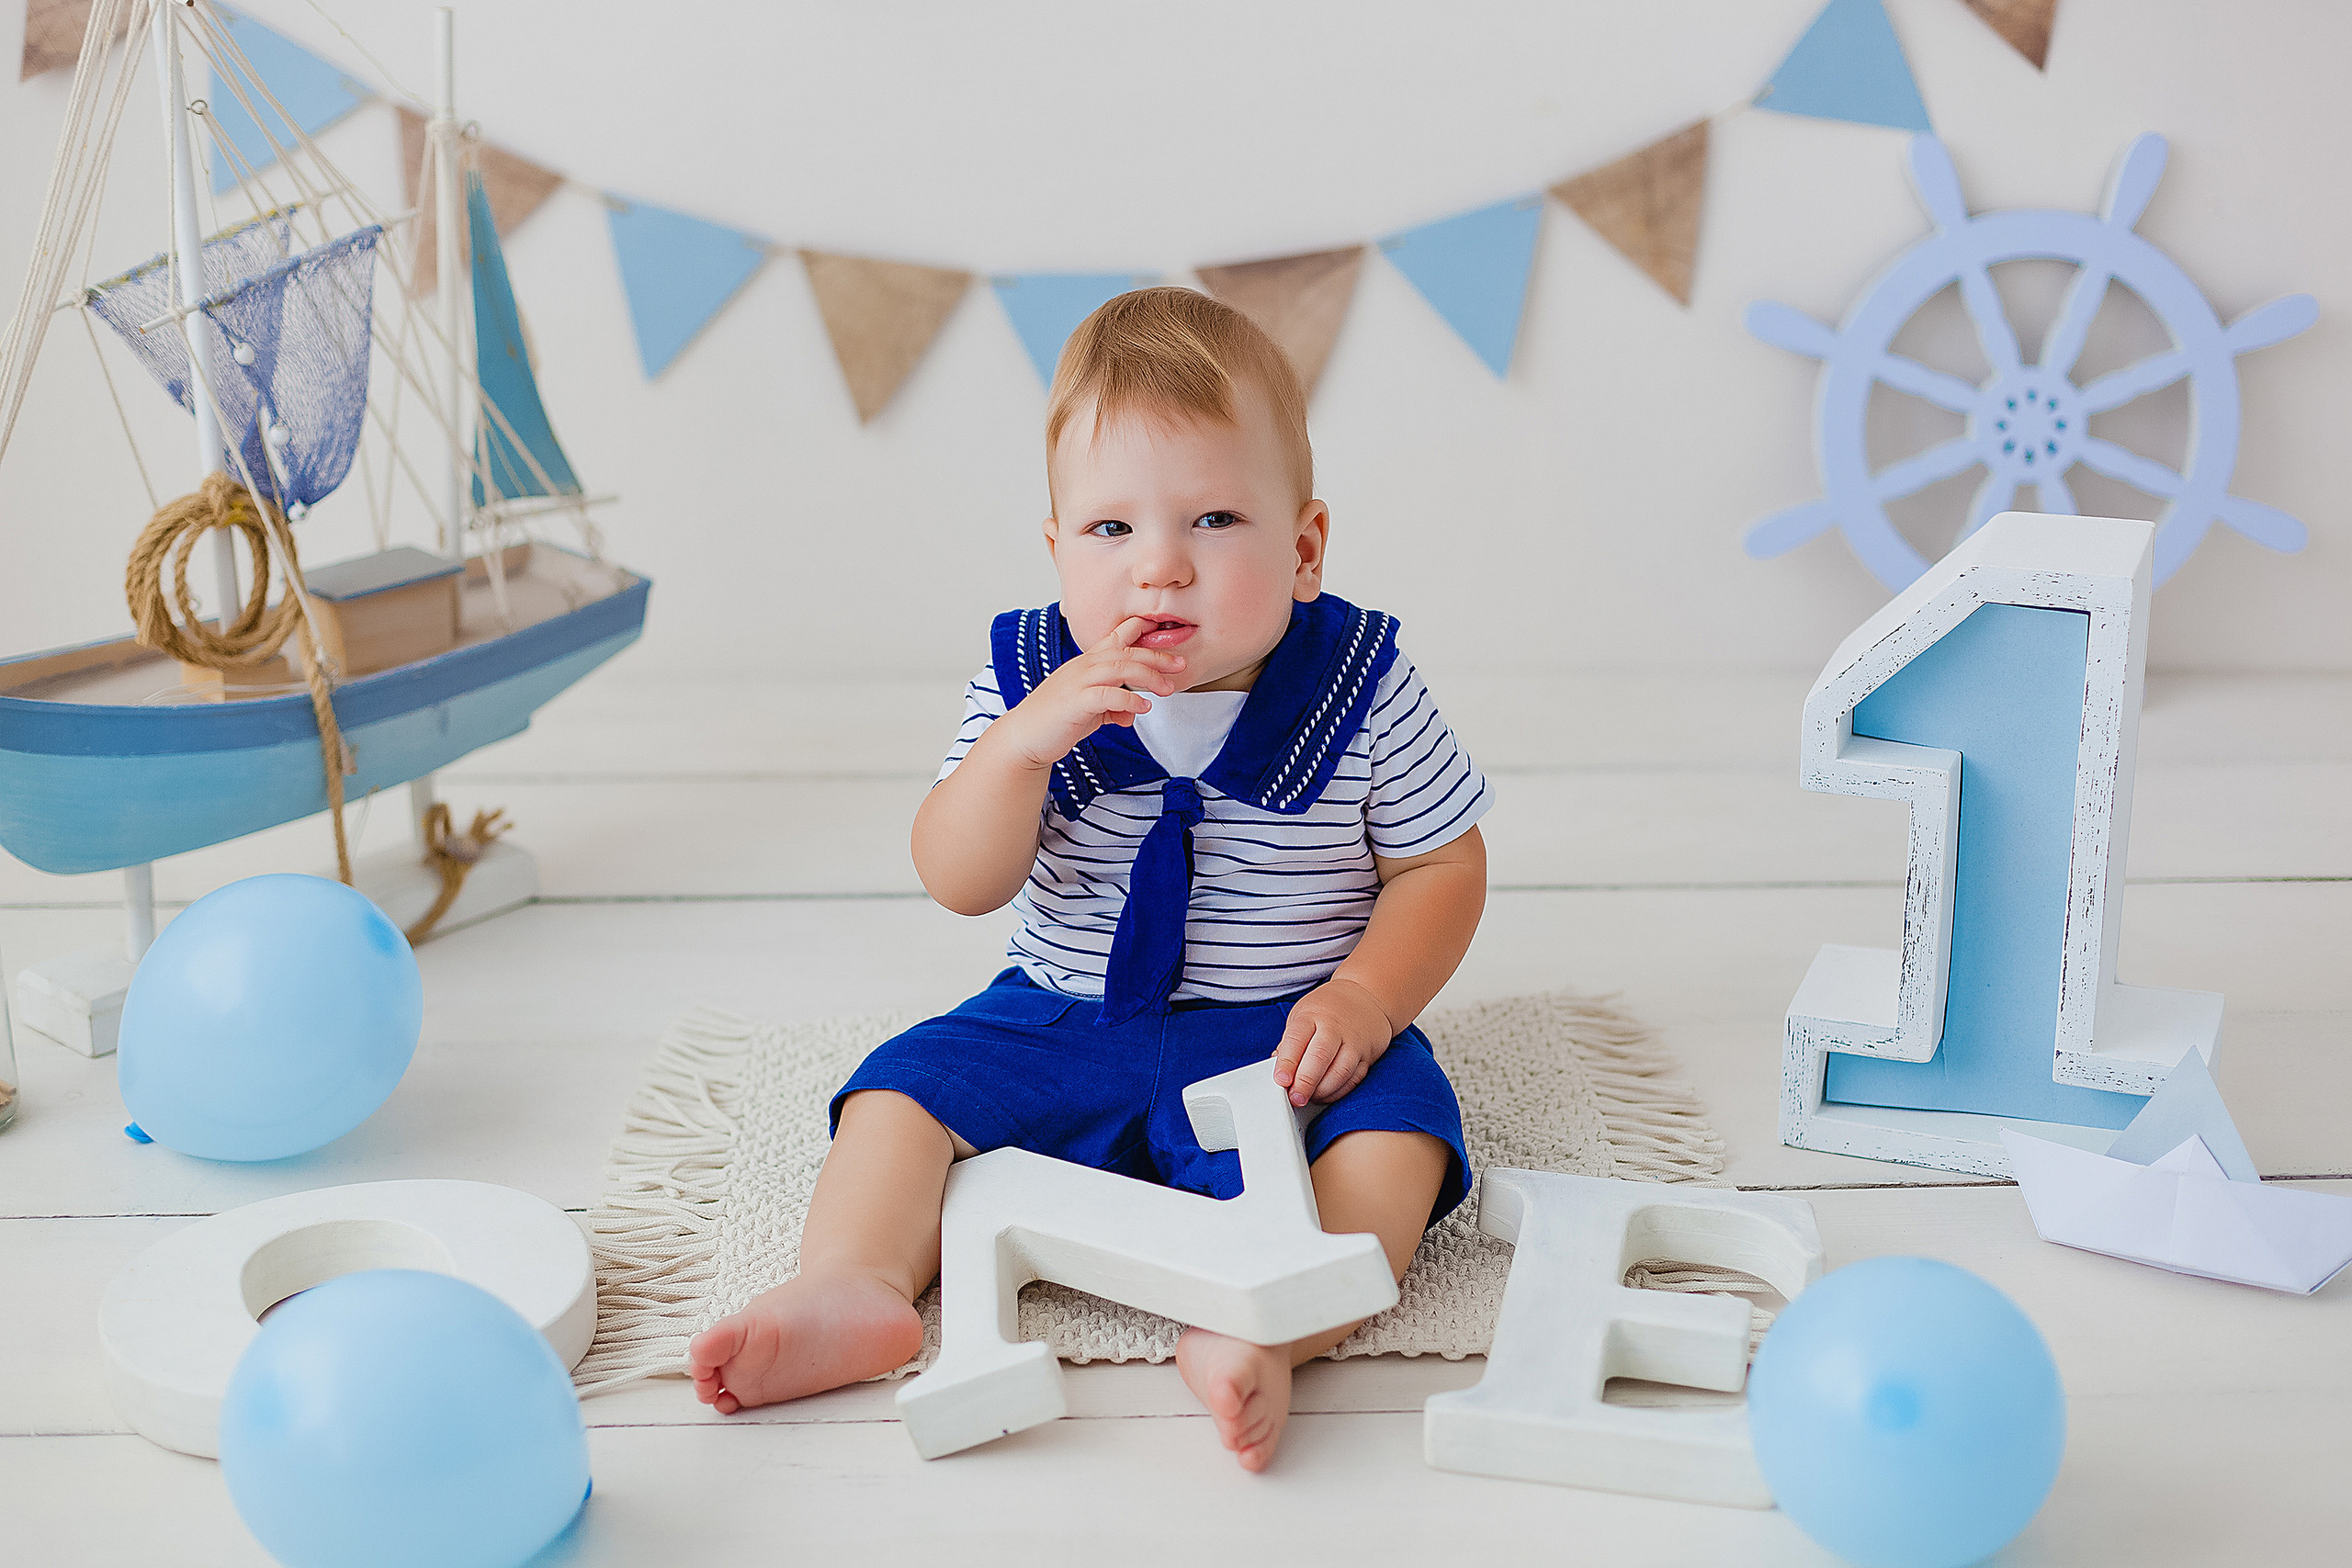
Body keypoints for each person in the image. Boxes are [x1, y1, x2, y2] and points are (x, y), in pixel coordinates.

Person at [688, 287, 1490, 1472]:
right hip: (1059, 1014)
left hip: (1288, 1033)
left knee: (1395, 1145)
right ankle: (853, 1286)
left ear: (1305, 547)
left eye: (1214, 519)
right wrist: (1020, 751)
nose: (1159, 569)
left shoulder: (1364, 689)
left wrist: (1369, 998)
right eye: (1111, 530)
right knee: (900, 1097)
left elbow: (1443, 866)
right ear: (1058, 546)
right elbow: (959, 879)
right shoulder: (1029, 683)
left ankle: (1269, 1322)